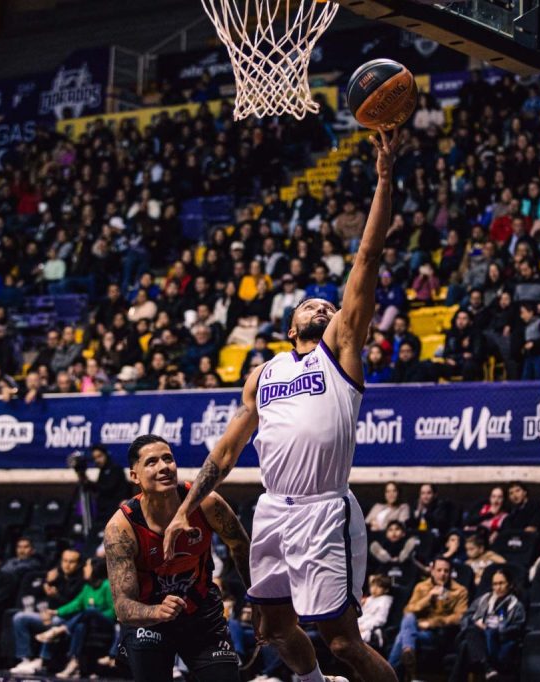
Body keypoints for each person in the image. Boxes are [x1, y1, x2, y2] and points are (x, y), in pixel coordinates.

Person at [163, 132, 404, 682]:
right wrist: (184, 508)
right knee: (271, 629)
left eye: (329, 302)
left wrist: (384, 179)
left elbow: (367, 257)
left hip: (324, 509)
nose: (323, 303)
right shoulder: (264, 374)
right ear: (287, 326)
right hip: (274, 509)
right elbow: (225, 452)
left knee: (342, 641)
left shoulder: (339, 350)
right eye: (311, 303)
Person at [103, 435, 252, 681]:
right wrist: (157, 612)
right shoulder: (122, 527)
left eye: (168, 459)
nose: (164, 467)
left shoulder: (206, 503)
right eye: (151, 462)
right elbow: (123, 607)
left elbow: (241, 546)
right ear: (134, 476)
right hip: (149, 619)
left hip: (202, 613)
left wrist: (257, 600)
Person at [388, 556, 468, 680]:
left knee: (402, 637)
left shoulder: (460, 591)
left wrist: (432, 623)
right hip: (416, 629)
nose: (443, 574)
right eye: (439, 570)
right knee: (409, 618)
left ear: (450, 573)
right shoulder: (421, 587)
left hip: (437, 633)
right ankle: (408, 650)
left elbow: (459, 617)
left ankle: (389, 675)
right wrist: (428, 598)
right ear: (432, 571)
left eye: (446, 571)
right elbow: (408, 610)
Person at [448, 567, 525, 681]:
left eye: (501, 583)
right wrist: (477, 624)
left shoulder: (516, 605)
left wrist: (490, 630)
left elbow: (517, 628)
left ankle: (486, 668)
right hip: (478, 639)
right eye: (494, 584)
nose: (497, 587)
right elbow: (466, 617)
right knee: (471, 630)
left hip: (497, 642)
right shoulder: (484, 599)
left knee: (466, 645)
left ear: (510, 584)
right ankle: (488, 668)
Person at [75, 444, 133, 522]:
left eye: (99, 456)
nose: (97, 460)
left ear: (106, 455)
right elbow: (99, 490)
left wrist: (89, 483)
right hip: (103, 512)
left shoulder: (115, 469)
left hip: (116, 512)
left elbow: (107, 488)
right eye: (94, 458)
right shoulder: (102, 471)